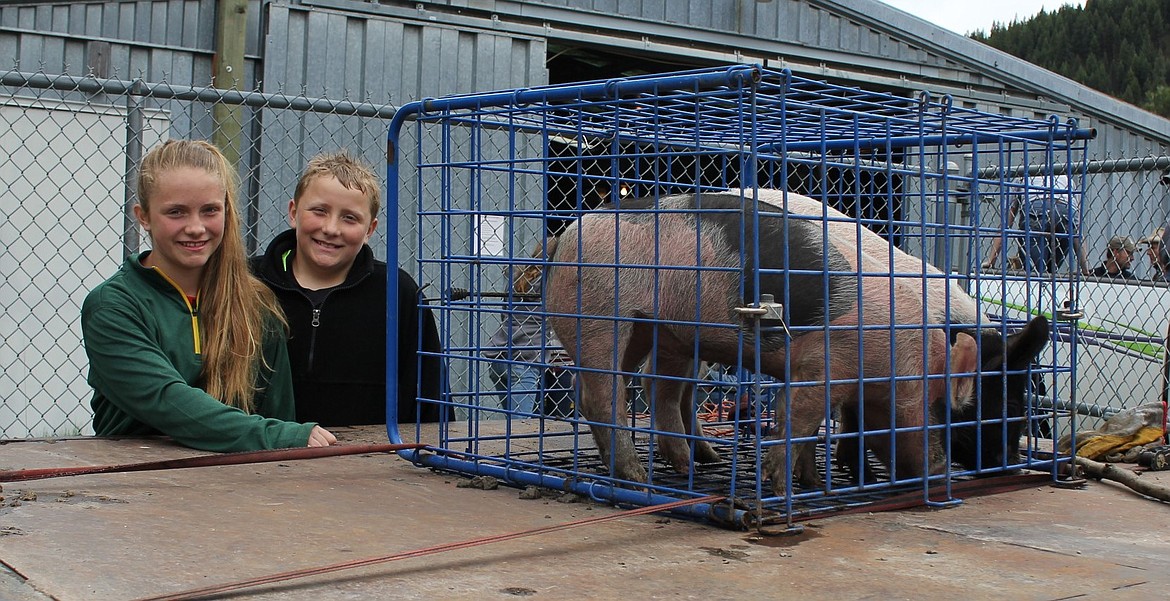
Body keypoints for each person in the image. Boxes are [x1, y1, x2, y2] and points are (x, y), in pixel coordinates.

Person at [81, 139, 336, 452]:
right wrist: (280, 436)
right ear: (143, 216)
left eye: (210, 210)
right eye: (176, 212)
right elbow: (167, 402)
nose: (195, 227)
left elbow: (278, 412)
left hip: (234, 484)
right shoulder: (113, 306)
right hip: (132, 484)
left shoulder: (256, 304)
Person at [253, 150, 445, 427]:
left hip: (369, 462)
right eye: (319, 211)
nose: (331, 228)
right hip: (254, 459)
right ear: (294, 213)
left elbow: (430, 399)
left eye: (350, 218)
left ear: (370, 229)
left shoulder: (398, 293)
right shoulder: (248, 282)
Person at [486, 245, 573, 417]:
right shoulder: (552, 282)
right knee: (520, 426)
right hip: (525, 361)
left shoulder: (518, 278)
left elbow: (505, 314)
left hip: (499, 356)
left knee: (513, 421)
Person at [983, 173, 1090, 275]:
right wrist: (1085, 268)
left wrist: (991, 260)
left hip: (1037, 210)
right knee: (1050, 273)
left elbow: (1006, 224)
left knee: (1035, 272)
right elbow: (1077, 229)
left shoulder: (1021, 177)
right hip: (1066, 212)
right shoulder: (1067, 180)